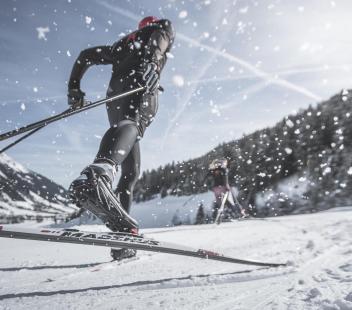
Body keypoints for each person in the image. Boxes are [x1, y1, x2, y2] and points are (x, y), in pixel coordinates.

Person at [67, 16, 175, 260]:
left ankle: (122, 237)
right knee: (132, 126)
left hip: (115, 95)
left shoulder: (122, 45)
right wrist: (152, 64)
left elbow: (86, 55)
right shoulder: (159, 31)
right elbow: (159, 41)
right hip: (141, 84)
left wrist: (74, 88)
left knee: (130, 172)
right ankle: (99, 174)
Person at [206, 158, 247, 222]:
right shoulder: (223, 170)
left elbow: (208, 178)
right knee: (231, 200)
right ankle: (239, 213)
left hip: (216, 189)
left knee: (221, 203)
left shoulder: (213, 171)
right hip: (223, 187)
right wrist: (227, 185)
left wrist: (210, 187)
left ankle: (221, 214)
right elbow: (225, 178)